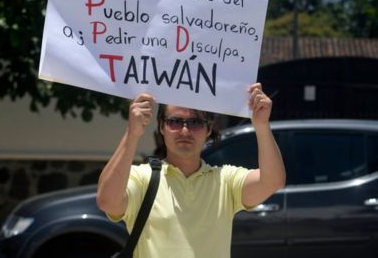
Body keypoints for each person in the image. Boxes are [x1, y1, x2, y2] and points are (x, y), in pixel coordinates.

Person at [96, 83, 286, 257]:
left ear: (209, 129)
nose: (185, 131)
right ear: (162, 126)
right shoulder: (142, 177)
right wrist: (132, 134)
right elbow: (107, 202)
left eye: (195, 123)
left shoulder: (225, 180)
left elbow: (273, 181)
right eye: (175, 122)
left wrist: (261, 126)